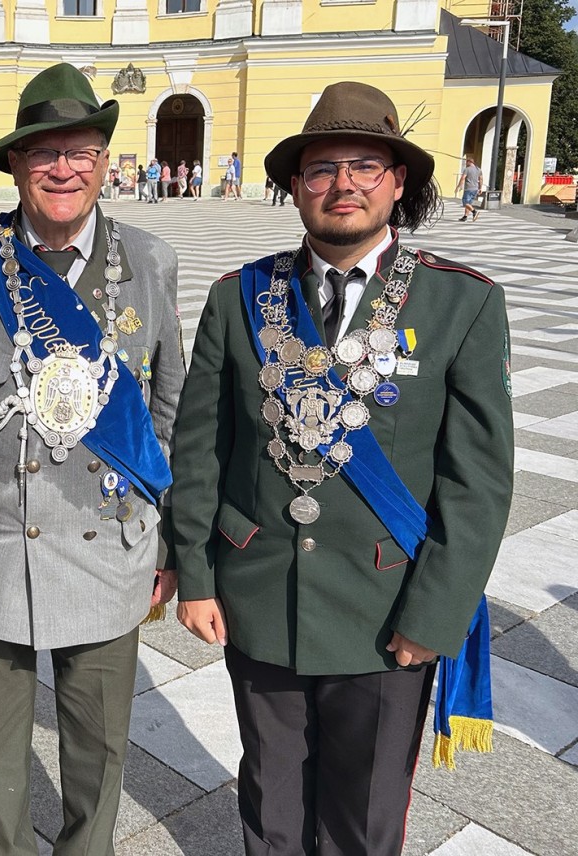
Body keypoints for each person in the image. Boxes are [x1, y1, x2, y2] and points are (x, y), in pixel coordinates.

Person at [171, 81, 513, 856]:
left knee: (362, 820)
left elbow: (478, 483)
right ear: (295, 185)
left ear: (398, 182)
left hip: (386, 607)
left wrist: (436, 616)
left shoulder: (460, 303)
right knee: (272, 806)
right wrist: (195, 573)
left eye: (366, 164)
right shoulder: (239, 298)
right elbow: (200, 449)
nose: (344, 183)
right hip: (258, 595)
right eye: (322, 168)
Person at [0, 63, 184, 856]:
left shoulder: (152, 260)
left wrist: (167, 545)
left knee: (98, 756)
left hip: (110, 547)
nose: (63, 168)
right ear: (15, 166)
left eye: (81, 152)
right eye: (44, 154)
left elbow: (171, 410)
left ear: (105, 163)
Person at [455, 155, 482, 221]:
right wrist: (480, 188)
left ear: (469, 162)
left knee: (465, 202)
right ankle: (465, 216)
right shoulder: (478, 169)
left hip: (469, 189)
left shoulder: (467, 169)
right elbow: (481, 179)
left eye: (466, 162)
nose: (466, 164)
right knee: (469, 203)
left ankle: (474, 211)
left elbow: (463, 178)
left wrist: (459, 186)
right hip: (475, 189)